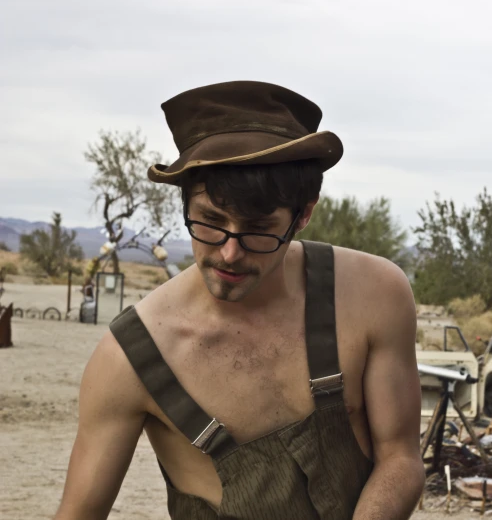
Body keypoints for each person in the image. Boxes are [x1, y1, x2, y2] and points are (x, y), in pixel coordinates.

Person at [55, 81, 425, 519]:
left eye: (258, 228)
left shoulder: (374, 294)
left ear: (303, 214)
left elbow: (400, 459)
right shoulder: (130, 359)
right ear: (185, 205)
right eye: (210, 221)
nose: (229, 252)